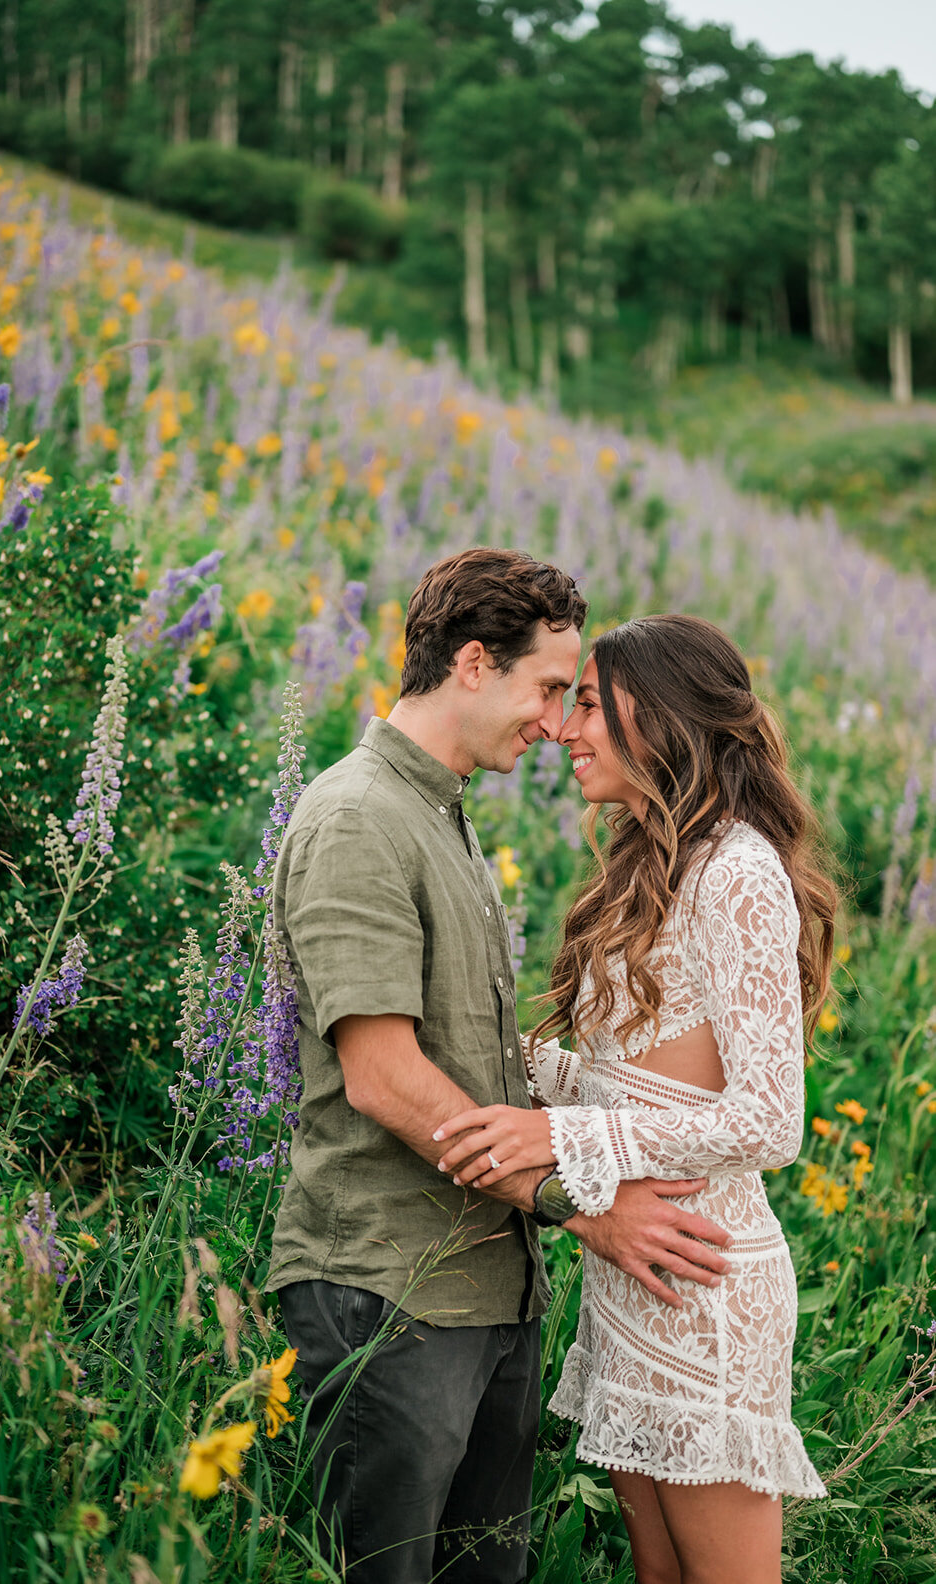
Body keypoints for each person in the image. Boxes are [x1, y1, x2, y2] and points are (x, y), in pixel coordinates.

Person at [267, 559, 732, 1584]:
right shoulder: (359, 817)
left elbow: (473, 1058)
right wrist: (584, 1204)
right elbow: (384, 1075)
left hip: (483, 1288)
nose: (562, 721)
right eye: (551, 688)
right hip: (390, 1289)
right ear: (473, 663)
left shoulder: (442, 815)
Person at [435, 614, 837, 1584]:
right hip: (632, 1276)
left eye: (587, 705)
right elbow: (627, 1076)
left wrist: (561, 1131)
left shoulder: (739, 870)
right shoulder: (650, 865)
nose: (565, 730)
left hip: (703, 1285)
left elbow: (769, 1119)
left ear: (655, 716)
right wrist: (493, 1054)